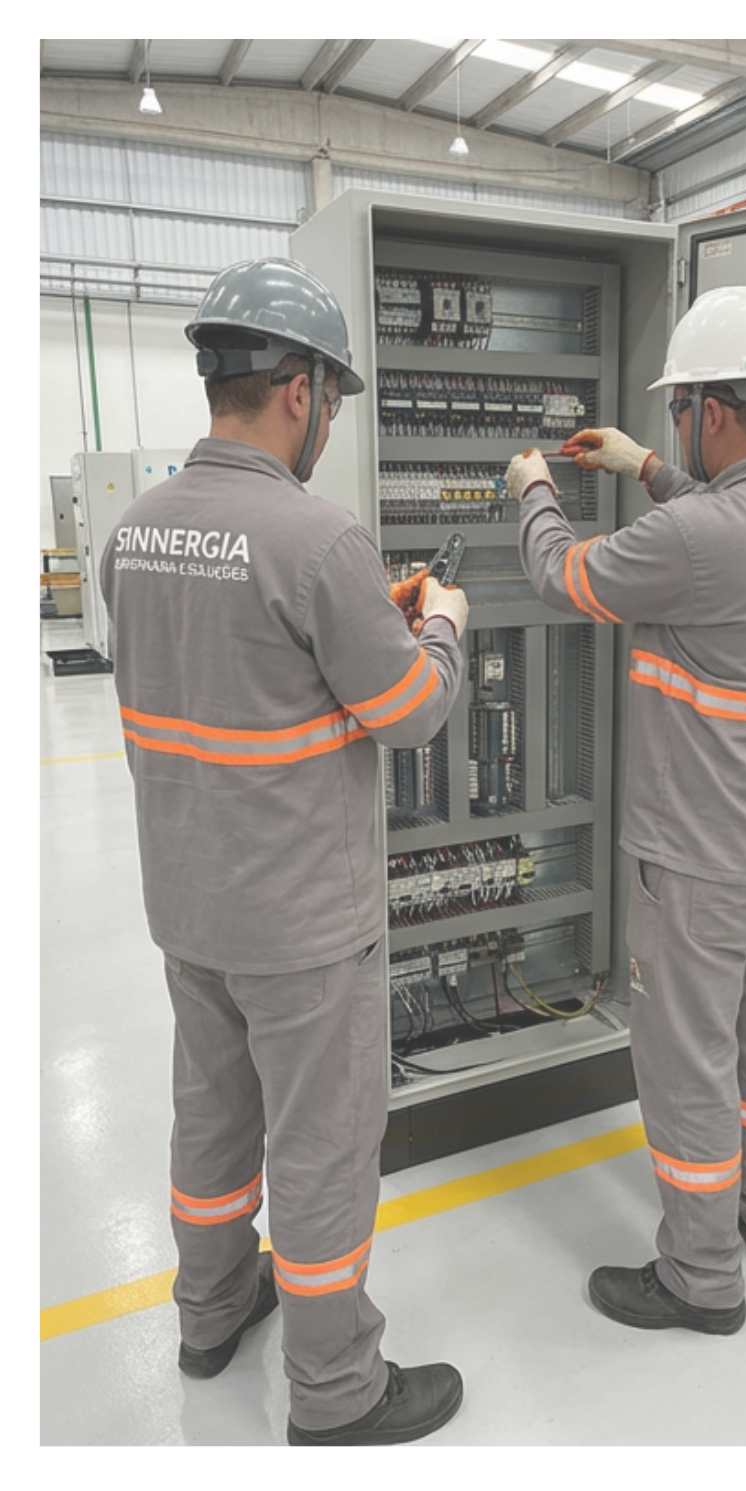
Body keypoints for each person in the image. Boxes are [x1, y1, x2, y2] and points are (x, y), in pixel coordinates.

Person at [103, 257, 469, 1446]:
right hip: (304, 931)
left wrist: (366, 625)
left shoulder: (133, 534)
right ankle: (338, 1394)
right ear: (301, 390)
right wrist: (445, 631)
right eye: (334, 401)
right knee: (320, 1151)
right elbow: (410, 710)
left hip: (191, 910)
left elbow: (220, 683)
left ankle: (209, 1315)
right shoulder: (318, 542)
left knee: (209, 1123)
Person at [516, 285, 746, 1335]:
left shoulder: (699, 539)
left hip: (698, 858)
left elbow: (561, 577)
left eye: (676, 416)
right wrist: (645, 468)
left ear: (709, 409)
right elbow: (724, 533)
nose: (673, 430)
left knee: (685, 1064)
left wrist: (534, 486)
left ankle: (700, 1277)